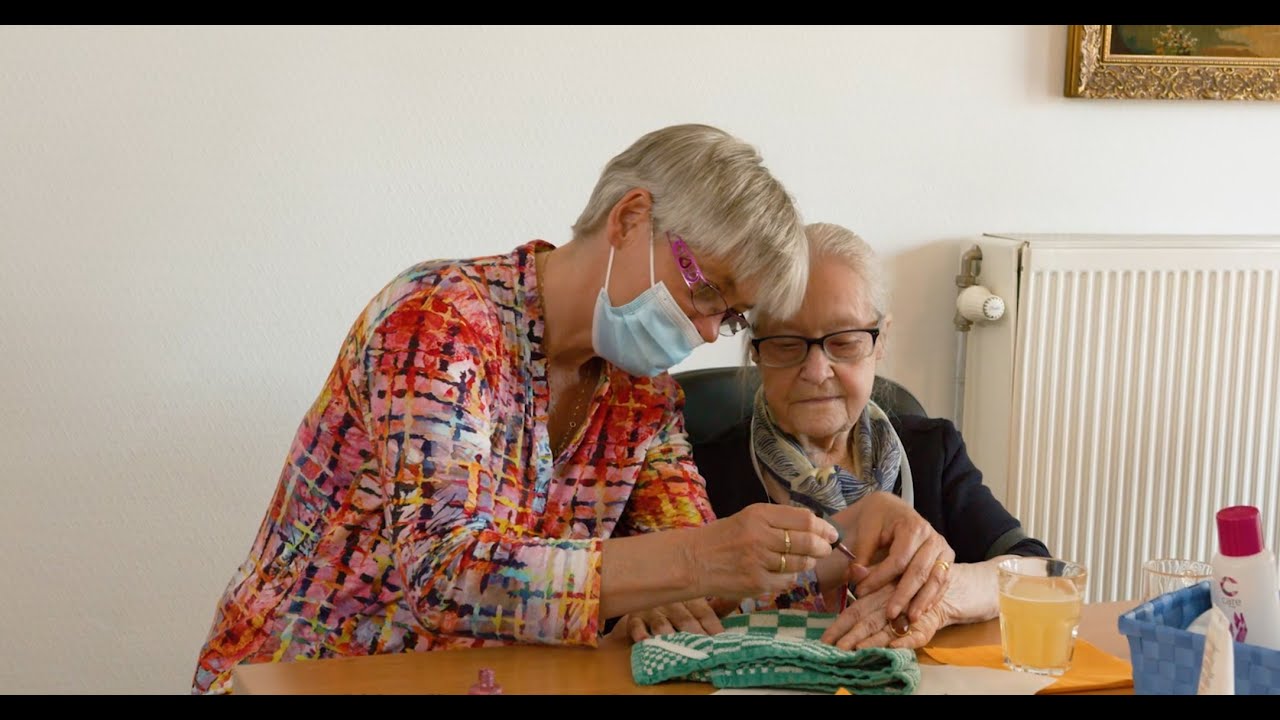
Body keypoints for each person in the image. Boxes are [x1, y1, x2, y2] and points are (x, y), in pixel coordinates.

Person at [192, 125, 933, 694]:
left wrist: (840, 541)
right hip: (303, 675)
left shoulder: (642, 390)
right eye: (709, 290)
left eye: (730, 317)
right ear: (630, 218)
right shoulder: (439, 322)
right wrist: (692, 565)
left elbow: (698, 562)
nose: (708, 331)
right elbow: (448, 573)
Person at [673, 222, 1050, 651]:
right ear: (756, 351)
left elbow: (1039, 571)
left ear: (880, 339)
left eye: (845, 343)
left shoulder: (931, 453)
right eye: (784, 344)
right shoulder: (701, 470)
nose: (816, 372)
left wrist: (943, 594)